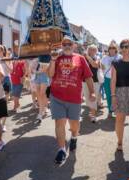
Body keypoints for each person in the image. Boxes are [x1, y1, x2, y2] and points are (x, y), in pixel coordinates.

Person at [48, 36, 95, 165]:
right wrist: (52, 60)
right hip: (57, 97)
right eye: (64, 44)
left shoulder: (80, 58)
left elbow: (89, 77)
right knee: (60, 123)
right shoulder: (56, 57)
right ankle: (61, 149)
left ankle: (74, 137)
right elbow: (50, 74)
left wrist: (92, 92)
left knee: (74, 125)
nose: (67, 45)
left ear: (73, 45)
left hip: (74, 99)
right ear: (61, 45)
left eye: (69, 43)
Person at [0, 45, 13, 131]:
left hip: (6, 80)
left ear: (3, 51)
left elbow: (11, 70)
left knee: (4, 104)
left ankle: (3, 124)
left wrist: (5, 61)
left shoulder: (8, 59)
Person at [101, 42, 120, 117]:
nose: (112, 49)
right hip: (107, 79)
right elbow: (102, 67)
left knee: (118, 95)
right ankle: (110, 110)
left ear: (116, 49)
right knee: (109, 95)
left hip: (118, 79)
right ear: (108, 49)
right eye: (110, 48)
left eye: (113, 48)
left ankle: (117, 110)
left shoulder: (119, 57)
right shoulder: (104, 58)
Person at [83, 45, 101, 122]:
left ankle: (93, 116)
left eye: (94, 50)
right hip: (85, 81)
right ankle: (92, 113)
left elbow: (95, 65)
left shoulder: (97, 58)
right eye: (90, 49)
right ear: (88, 50)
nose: (92, 51)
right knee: (87, 98)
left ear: (96, 51)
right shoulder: (83, 58)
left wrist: (87, 57)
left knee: (93, 98)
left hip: (95, 81)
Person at [34, 55, 50, 123]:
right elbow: (32, 66)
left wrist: (35, 71)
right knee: (39, 95)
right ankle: (43, 109)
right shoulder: (38, 55)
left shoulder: (48, 55)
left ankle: (40, 113)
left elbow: (45, 68)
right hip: (37, 76)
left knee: (42, 94)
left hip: (44, 76)